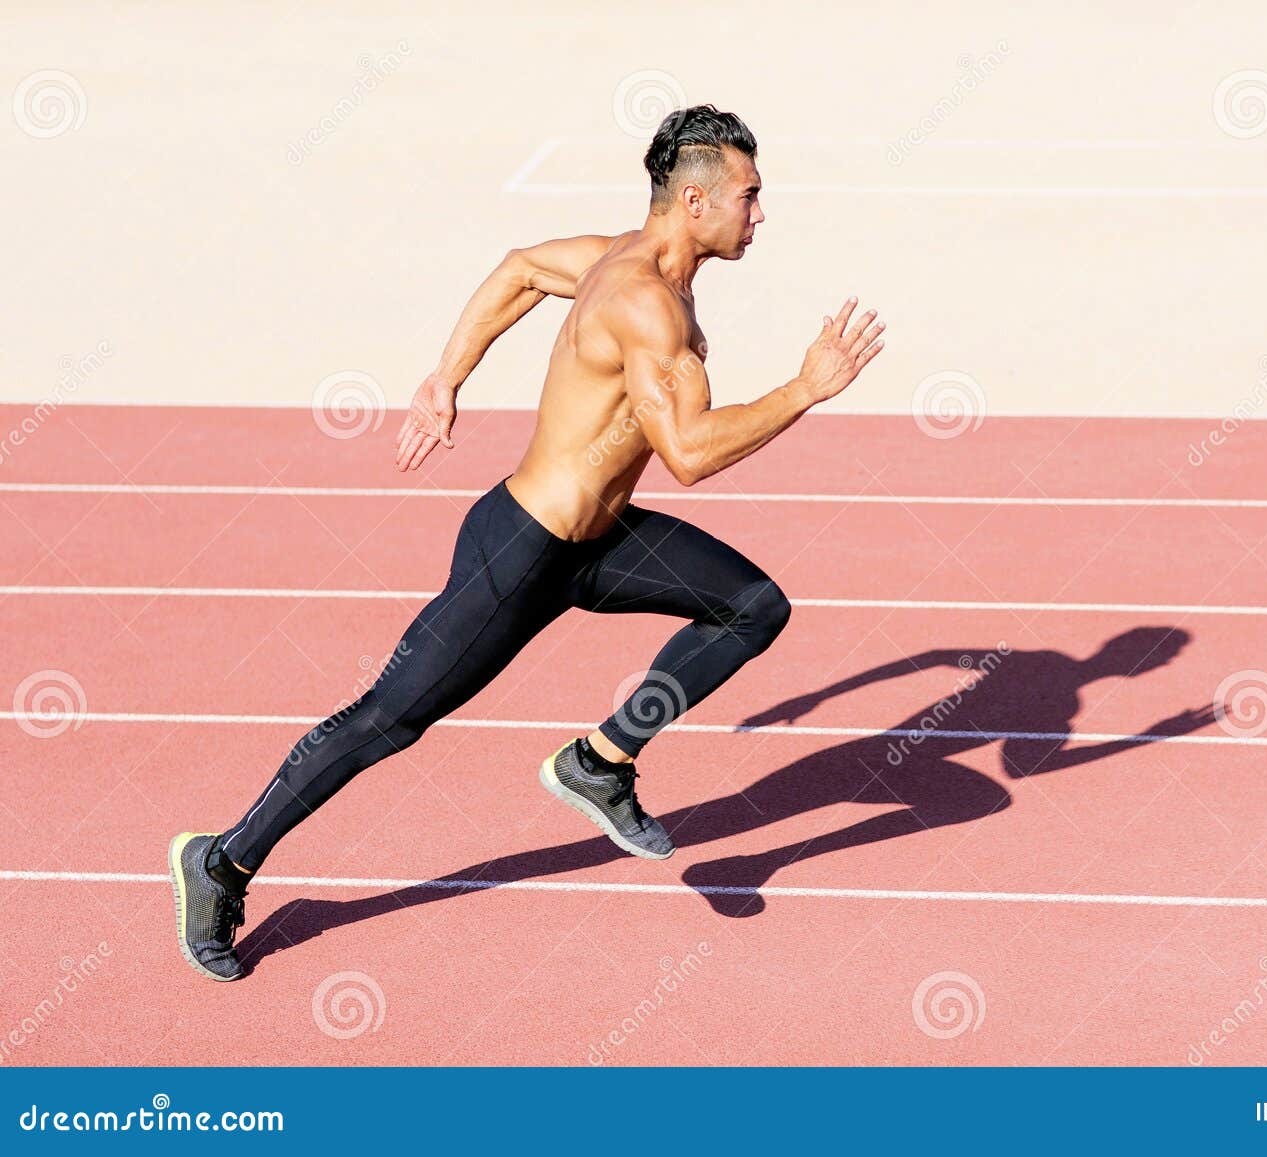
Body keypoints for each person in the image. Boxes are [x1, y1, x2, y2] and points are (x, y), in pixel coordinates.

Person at [168, 104, 886, 981]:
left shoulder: (624, 258)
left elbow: (518, 271)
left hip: (599, 540)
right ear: (695, 202)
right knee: (388, 721)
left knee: (751, 606)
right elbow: (691, 453)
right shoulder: (643, 303)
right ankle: (222, 860)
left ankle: (600, 760)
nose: (760, 214)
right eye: (750, 195)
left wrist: (446, 375)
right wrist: (805, 387)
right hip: (524, 551)